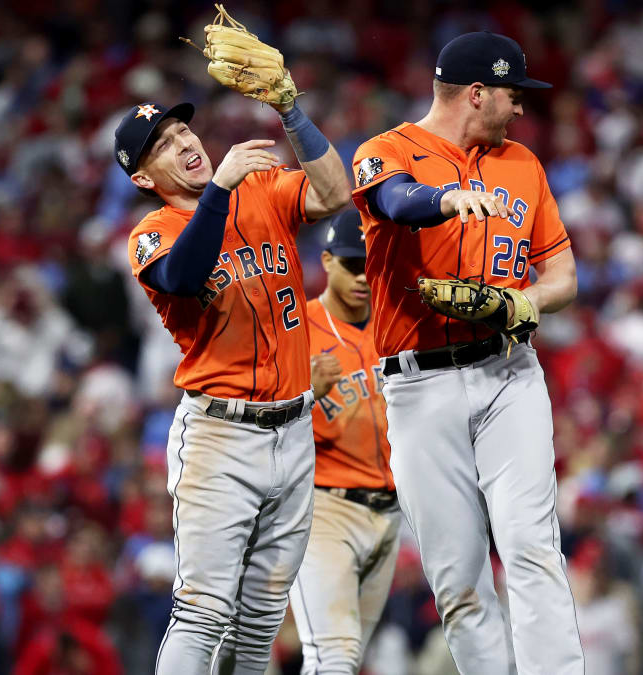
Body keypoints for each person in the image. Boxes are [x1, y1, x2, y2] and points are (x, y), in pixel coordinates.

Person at [349, 31, 582, 674]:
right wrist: (444, 199)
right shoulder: (385, 151)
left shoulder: (523, 164)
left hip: (509, 373)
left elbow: (563, 278)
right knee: (458, 577)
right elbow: (394, 200)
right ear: (476, 93)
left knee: (532, 546)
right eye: (513, 94)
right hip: (420, 386)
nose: (521, 109)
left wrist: (521, 306)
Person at [118, 64, 350, 675]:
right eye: (162, 145)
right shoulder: (152, 233)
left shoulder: (260, 190)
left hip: (295, 429)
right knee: (203, 612)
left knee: (262, 616)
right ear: (143, 177)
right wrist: (218, 190)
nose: (184, 143)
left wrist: (292, 113)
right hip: (222, 436)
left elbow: (334, 195)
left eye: (181, 131)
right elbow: (185, 277)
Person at [288, 210, 400, 673]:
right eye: (351, 264)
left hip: (391, 515)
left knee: (347, 660)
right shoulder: (295, 333)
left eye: (369, 266)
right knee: (333, 655)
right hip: (324, 512)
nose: (361, 277)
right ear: (328, 261)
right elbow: (259, 433)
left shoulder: (396, 326)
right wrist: (303, 395)